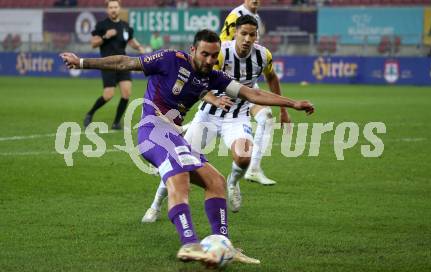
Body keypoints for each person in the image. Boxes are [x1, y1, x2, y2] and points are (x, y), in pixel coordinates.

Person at [60, 29, 314, 266]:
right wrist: (82, 62)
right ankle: (189, 243)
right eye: (205, 54)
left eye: (214, 55)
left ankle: (222, 244)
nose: (209, 59)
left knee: (216, 181)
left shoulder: (212, 76)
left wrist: (292, 103)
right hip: (153, 132)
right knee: (179, 176)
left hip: (174, 136)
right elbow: (126, 63)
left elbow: (251, 94)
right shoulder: (170, 59)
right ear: (193, 50)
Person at [142, 15, 287, 223]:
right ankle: (155, 205)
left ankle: (233, 183)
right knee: (178, 161)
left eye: (252, 34)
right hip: (208, 116)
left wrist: (285, 108)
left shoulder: (263, 56)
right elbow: (199, 79)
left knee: (244, 157)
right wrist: (212, 98)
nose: (247, 38)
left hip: (237, 117)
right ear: (235, 32)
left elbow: (268, 80)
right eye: (243, 33)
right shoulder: (219, 53)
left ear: (257, 36)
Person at [222, 0, 287, 185]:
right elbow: (223, 46)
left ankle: (254, 169)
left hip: (247, 83)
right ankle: (177, 139)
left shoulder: (254, 17)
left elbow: (272, 77)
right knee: (208, 121)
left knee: (266, 117)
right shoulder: (236, 16)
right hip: (228, 80)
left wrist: (284, 109)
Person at [84, 0, 145, 130]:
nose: (113, 9)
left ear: (119, 9)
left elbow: (130, 40)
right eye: (111, 7)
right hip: (107, 64)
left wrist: (139, 47)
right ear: (107, 10)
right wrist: (106, 36)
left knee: (126, 93)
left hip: (123, 63)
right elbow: (93, 43)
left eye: (115, 7)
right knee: (108, 95)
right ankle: (90, 114)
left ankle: (116, 123)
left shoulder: (125, 26)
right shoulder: (102, 25)